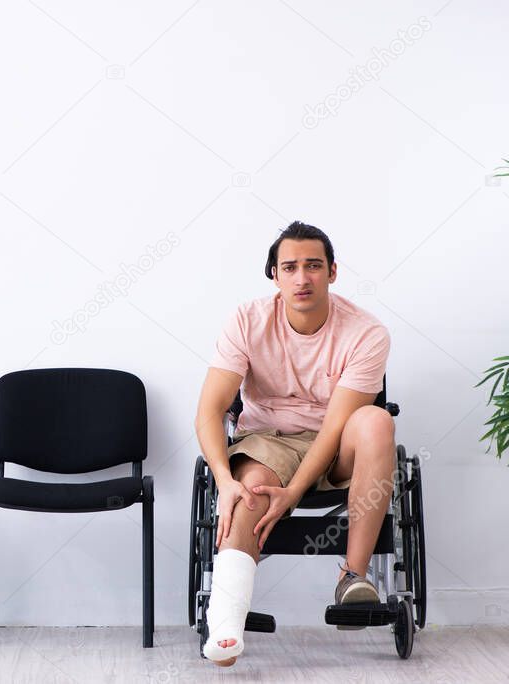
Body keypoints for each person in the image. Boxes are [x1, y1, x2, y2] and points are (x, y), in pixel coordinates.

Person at [193, 221, 393, 667]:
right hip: (266, 439)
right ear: (275, 276)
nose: (302, 278)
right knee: (248, 495)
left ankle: (353, 577)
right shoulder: (247, 320)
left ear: (333, 272)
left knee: (377, 421)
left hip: (334, 443)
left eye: (313, 266)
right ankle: (226, 620)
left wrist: (295, 492)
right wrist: (224, 481)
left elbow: (336, 427)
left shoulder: (366, 332)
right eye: (291, 267)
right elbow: (209, 412)